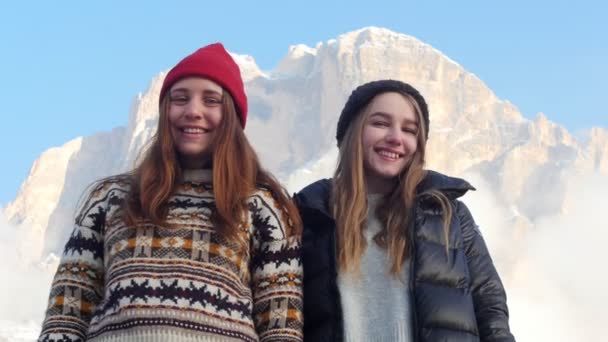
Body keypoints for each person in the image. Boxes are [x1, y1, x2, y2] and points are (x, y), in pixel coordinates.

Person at [39, 43, 303, 342]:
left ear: (231, 115)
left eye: (211, 100)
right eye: (180, 99)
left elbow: (282, 330)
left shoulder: (261, 207)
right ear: (165, 111)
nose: (193, 111)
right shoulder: (109, 198)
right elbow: (64, 320)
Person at [295, 80, 514, 342]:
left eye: (409, 130)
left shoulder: (448, 215)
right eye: (380, 123)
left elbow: (491, 311)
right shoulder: (310, 214)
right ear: (352, 132)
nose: (396, 138)